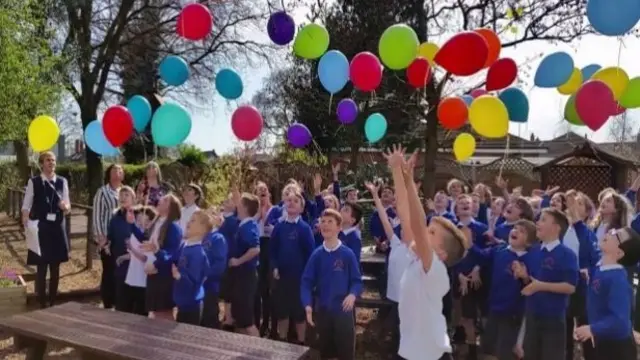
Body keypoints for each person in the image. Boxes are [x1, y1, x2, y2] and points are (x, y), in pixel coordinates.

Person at [384, 145, 467, 360]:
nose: (424, 233)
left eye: (432, 233)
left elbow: (418, 224)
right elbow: (405, 212)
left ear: (441, 253)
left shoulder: (435, 269)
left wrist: (410, 182)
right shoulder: (418, 259)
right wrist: (397, 171)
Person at [300, 208, 363, 360]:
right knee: (326, 353)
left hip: (343, 313)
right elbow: (306, 282)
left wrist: (352, 295)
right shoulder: (317, 255)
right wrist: (308, 305)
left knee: (345, 354)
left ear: (339, 227)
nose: (325, 225)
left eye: (330, 222)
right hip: (323, 312)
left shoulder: (347, 254)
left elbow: (357, 281)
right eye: (323, 221)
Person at [516, 208, 578, 360]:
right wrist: (523, 276)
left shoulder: (567, 254)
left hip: (553, 318)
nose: (537, 223)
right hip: (532, 314)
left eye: (543, 220)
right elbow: (530, 283)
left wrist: (540, 286)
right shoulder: (533, 252)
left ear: (556, 228)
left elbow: (570, 287)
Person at [472, 219, 537, 360]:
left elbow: (533, 286)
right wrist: (468, 244)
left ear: (529, 242)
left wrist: (524, 276)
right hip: (494, 309)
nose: (515, 231)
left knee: (505, 352)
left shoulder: (531, 259)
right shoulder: (499, 250)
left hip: (513, 315)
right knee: (488, 350)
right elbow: (481, 255)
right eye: (515, 228)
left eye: (522, 231)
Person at [573, 227, 640, 360]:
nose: (610, 231)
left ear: (619, 253)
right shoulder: (601, 268)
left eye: (616, 234)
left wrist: (592, 328)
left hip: (616, 349)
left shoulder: (617, 280)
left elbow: (620, 322)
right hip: (602, 343)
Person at [365, 179, 413, 356]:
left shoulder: (416, 249)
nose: (402, 229)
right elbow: (384, 218)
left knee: (406, 329)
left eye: (406, 228)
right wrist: (375, 195)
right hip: (395, 297)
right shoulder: (395, 242)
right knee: (396, 328)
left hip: (410, 299)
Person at [21, 151, 71, 308]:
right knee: (41, 267)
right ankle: (42, 302)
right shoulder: (34, 182)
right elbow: (26, 206)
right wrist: (26, 223)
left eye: (54, 160)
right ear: (42, 163)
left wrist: (65, 207)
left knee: (55, 267)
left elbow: (69, 207)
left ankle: (52, 301)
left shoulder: (62, 182)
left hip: (57, 228)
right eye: (48, 160)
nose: (52, 163)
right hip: (41, 228)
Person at [270, 192, 315, 344]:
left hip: (299, 279)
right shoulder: (279, 227)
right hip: (282, 278)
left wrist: (308, 277)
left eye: (296, 201)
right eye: (289, 200)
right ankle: (282, 341)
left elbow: (310, 254)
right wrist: (274, 267)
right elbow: (273, 251)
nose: (291, 203)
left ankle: (301, 343)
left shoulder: (304, 228)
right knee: (282, 313)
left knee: (299, 314)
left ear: (302, 208)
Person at [133, 194, 183, 320]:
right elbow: (145, 241)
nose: (160, 199)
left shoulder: (173, 227)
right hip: (153, 273)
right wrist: (131, 224)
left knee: (163, 313)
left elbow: (172, 254)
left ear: (171, 208)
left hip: (163, 275)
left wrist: (155, 265)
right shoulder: (156, 223)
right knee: (155, 312)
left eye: (165, 200)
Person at [227, 190, 261, 336]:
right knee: (239, 319)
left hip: (246, 276)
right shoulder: (241, 224)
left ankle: (260, 351)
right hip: (239, 277)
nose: (236, 204)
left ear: (245, 207)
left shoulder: (249, 226)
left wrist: (237, 261)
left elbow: (255, 249)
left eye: (239, 202)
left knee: (247, 320)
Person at [92, 164, 123, 309]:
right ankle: (108, 302)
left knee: (119, 270)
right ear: (109, 174)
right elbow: (97, 215)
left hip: (121, 238)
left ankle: (118, 300)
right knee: (108, 271)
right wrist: (100, 238)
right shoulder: (102, 192)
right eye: (114, 170)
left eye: (120, 170)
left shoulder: (124, 191)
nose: (117, 173)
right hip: (107, 238)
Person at [172, 209, 211, 325]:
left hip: (191, 305)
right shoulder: (185, 246)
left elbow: (195, 280)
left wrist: (180, 277)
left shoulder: (198, 253)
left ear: (202, 229)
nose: (188, 222)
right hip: (182, 303)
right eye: (189, 220)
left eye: (193, 221)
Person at [122, 206, 157, 316]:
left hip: (143, 280)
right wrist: (123, 257)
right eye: (139, 221)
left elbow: (144, 258)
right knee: (128, 310)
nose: (142, 224)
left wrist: (132, 249)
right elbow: (132, 255)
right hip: (132, 277)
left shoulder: (150, 238)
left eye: (146, 221)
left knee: (140, 312)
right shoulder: (134, 235)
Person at [107, 186, 135, 313]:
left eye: (126, 195)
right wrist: (107, 244)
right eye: (121, 195)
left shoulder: (139, 215)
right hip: (119, 263)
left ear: (133, 199)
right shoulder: (115, 216)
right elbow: (110, 236)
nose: (123, 198)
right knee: (121, 299)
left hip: (135, 263)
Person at [201, 210, 228, 329]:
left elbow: (219, 264)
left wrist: (205, 275)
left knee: (209, 322)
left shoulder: (218, 238)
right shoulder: (201, 237)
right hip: (196, 288)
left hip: (210, 288)